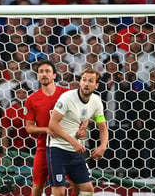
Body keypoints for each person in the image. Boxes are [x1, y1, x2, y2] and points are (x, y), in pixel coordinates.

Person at [47, 68, 109, 196]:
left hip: (75, 152)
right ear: (80, 82)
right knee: (59, 192)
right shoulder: (67, 98)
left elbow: (102, 127)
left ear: (96, 85)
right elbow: (52, 124)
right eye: (84, 80)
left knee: (88, 190)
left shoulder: (96, 101)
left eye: (91, 81)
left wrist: (103, 146)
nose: (86, 83)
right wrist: (73, 142)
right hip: (57, 149)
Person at [25, 60, 74, 196]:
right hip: (44, 147)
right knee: (37, 186)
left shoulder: (67, 95)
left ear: (54, 75)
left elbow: (82, 115)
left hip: (67, 146)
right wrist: (45, 129)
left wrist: (83, 128)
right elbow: (29, 128)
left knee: (77, 184)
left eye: (47, 71)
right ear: (37, 76)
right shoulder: (32, 100)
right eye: (41, 72)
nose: (44, 74)